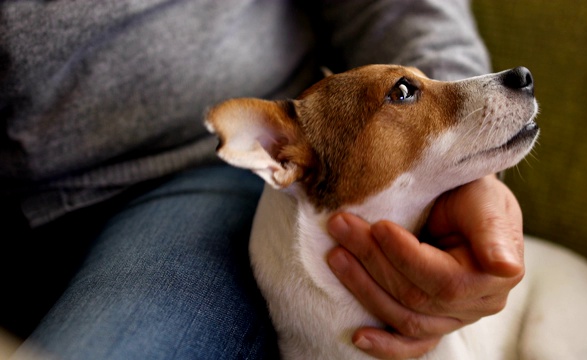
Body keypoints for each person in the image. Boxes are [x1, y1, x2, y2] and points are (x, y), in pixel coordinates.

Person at [0, 1, 525, 359]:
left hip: (184, 189)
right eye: (406, 93)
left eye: (403, 93)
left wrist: (471, 167)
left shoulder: (286, 142)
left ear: (276, 153)